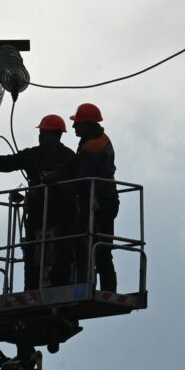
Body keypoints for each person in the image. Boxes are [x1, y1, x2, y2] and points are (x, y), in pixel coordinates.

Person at [0, 115, 75, 290]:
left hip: (61, 209)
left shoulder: (68, 157)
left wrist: (54, 178)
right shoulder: (33, 154)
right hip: (37, 209)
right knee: (31, 249)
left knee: (62, 247)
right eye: (40, 133)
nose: (40, 136)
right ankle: (31, 287)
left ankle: (60, 283)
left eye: (44, 133)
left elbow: (73, 176)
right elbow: (9, 162)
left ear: (56, 135)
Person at [70, 103, 119, 292]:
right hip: (104, 200)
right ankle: (106, 289)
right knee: (101, 247)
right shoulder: (97, 140)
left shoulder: (92, 146)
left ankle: (85, 285)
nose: (74, 127)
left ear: (88, 124)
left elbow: (83, 176)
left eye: (78, 123)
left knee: (88, 245)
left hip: (98, 202)